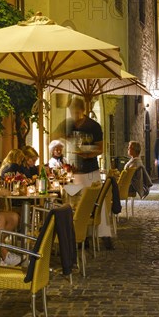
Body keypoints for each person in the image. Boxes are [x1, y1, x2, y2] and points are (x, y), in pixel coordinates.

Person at [66, 97, 114, 249]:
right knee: (77, 205)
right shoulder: (69, 126)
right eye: (71, 112)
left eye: (76, 112)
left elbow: (100, 148)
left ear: (82, 111)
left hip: (91, 169)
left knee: (96, 202)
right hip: (75, 172)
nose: (74, 115)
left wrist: (88, 154)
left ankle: (104, 235)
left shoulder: (93, 126)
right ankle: (82, 236)